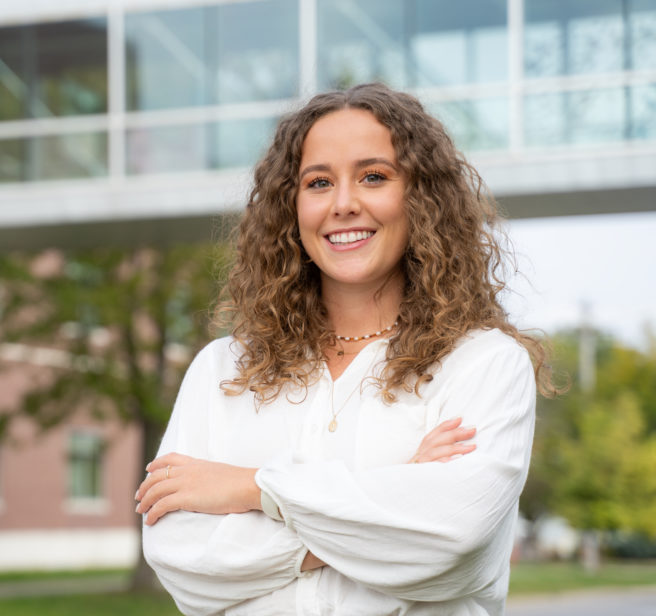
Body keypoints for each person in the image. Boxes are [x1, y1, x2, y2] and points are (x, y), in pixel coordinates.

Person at [134, 83, 556, 615]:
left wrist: (250, 490)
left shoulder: (484, 364)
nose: (344, 204)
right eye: (318, 182)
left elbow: (453, 545)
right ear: (291, 206)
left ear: (421, 196)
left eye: (374, 176)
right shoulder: (221, 370)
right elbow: (180, 560)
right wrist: (388, 500)